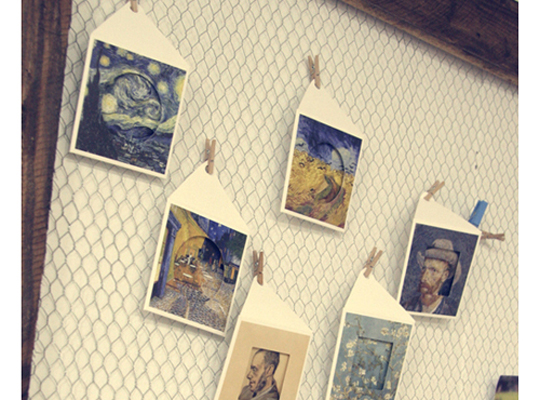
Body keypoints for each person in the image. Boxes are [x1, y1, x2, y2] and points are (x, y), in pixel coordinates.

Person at [402, 238, 461, 315]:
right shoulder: (406, 307)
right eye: (423, 269)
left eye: (433, 270)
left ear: (444, 275)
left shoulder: (449, 311)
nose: (423, 278)